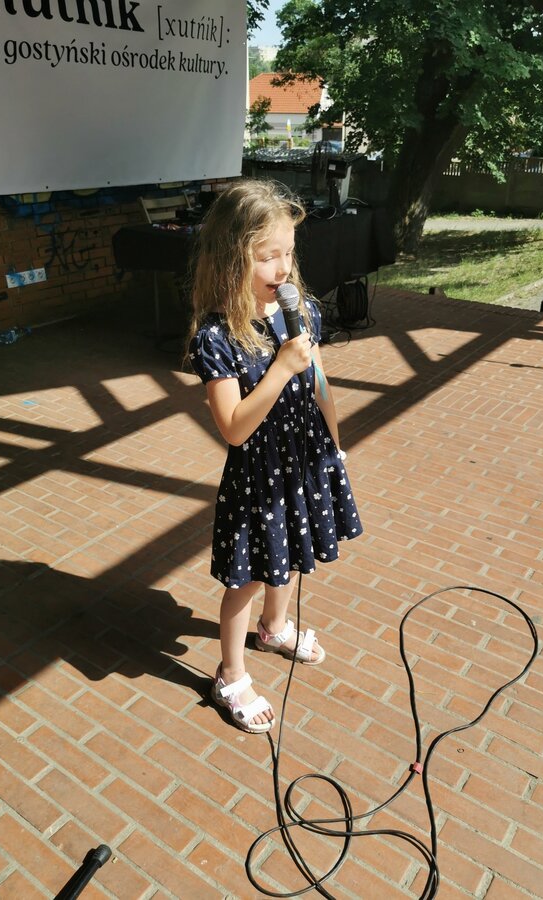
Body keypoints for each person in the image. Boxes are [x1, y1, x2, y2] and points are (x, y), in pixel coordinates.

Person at [187, 179, 362, 734]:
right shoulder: (218, 336)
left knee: (288, 554)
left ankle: (275, 626)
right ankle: (230, 673)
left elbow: (320, 383)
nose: (282, 267)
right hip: (258, 472)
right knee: (248, 574)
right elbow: (234, 428)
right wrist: (282, 366)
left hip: (303, 459)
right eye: (267, 256)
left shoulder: (299, 309)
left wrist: (335, 442)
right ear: (230, 258)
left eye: (288, 252)